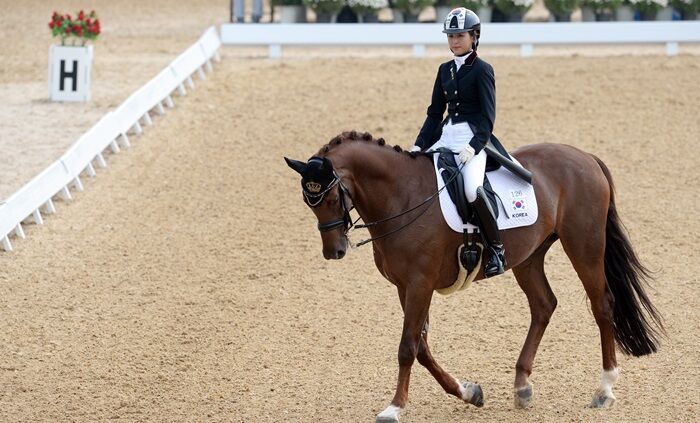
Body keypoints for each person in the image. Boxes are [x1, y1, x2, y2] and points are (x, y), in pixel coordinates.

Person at [410, 7, 506, 277]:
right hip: (445, 136)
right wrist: (419, 146)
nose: (454, 41)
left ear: (474, 36)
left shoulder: (483, 70)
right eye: (450, 36)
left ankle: (496, 250)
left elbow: (488, 118)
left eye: (460, 35)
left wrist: (473, 148)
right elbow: (434, 113)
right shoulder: (444, 70)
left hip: (472, 141)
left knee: (473, 190)